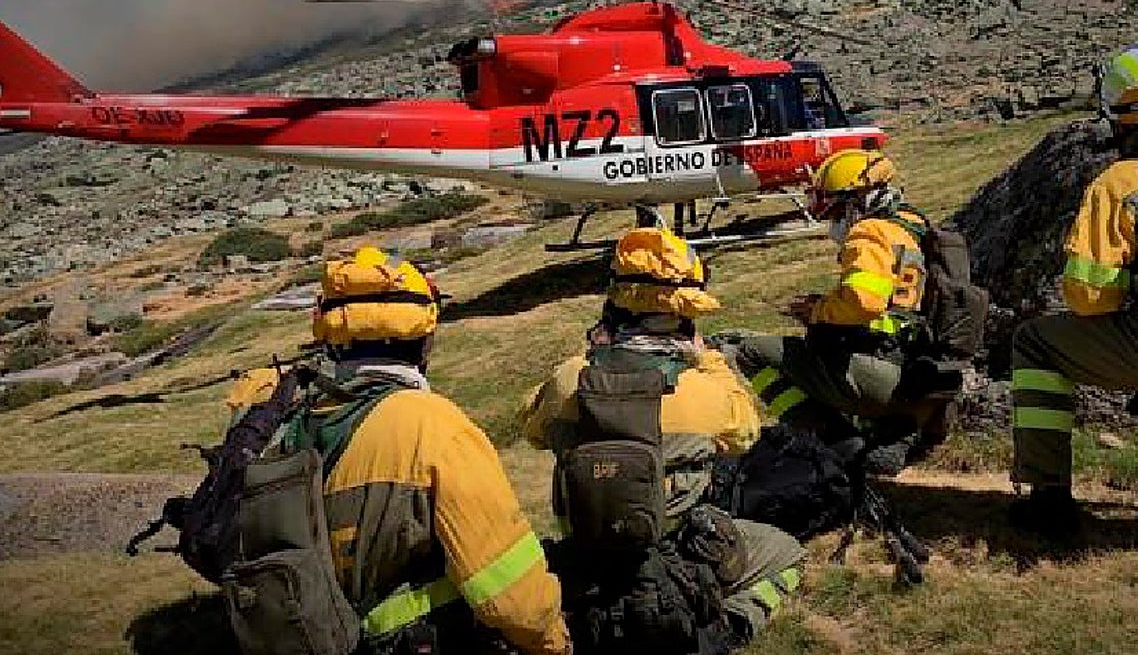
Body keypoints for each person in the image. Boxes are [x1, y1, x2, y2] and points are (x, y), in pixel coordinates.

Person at [229, 245, 571, 655]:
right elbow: (513, 597)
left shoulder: (288, 424)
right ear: (424, 340)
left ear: (332, 338)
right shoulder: (432, 426)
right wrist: (555, 643)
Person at [520, 227, 805, 647]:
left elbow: (532, 430)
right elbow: (745, 434)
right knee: (786, 553)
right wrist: (707, 359)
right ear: (685, 315)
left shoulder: (569, 380)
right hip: (679, 559)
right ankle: (729, 628)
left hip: (585, 556)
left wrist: (587, 356)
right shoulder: (704, 390)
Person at [1008, 42, 1138, 536]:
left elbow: (1089, 296)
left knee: (1034, 344)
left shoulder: (1121, 182)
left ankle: (1046, 494)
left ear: (1116, 112)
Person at [722, 148, 955, 471]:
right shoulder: (913, 228)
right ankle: (891, 433)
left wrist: (816, 312)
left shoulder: (868, 232)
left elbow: (864, 301)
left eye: (834, 208)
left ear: (855, 200)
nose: (831, 219)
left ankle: (831, 439)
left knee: (752, 352)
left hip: (884, 373)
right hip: (919, 371)